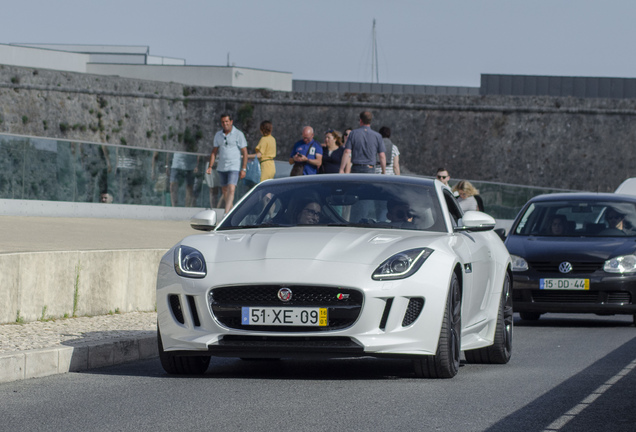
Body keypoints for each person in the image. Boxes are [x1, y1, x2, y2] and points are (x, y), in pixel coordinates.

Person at [206, 113, 248, 214]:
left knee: (231, 188)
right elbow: (214, 151)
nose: (225, 124)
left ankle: (226, 212)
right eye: (223, 122)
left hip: (234, 166)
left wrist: (244, 168)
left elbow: (245, 152)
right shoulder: (218, 135)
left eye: (227, 122)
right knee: (224, 190)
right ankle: (232, 211)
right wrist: (210, 166)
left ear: (231, 122)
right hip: (222, 166)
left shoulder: (238, 134)